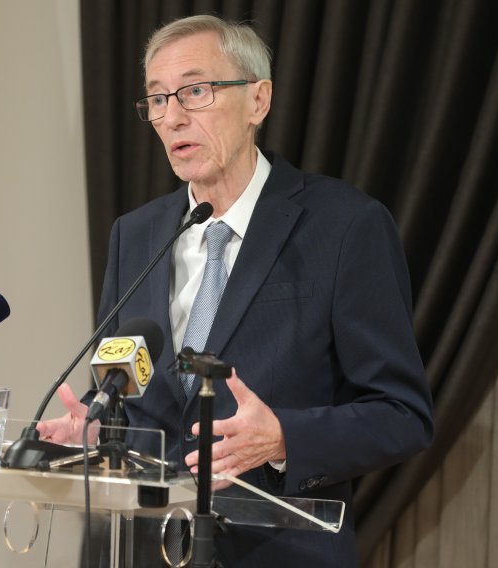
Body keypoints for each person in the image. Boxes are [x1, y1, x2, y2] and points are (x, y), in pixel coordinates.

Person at [38, 14, 433, 567]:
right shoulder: (136, 234)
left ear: (258, 101)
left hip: (276, 553)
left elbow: (402, 415)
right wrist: (101, 426)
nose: (172, 116)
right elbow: (130, 386)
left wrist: (283, 437)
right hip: (140, 549)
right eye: (157, 99)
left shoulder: (345, 226)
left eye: (195, 91)